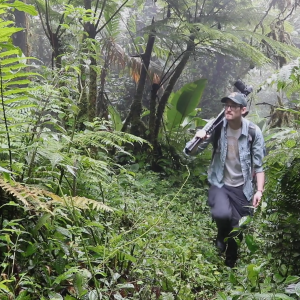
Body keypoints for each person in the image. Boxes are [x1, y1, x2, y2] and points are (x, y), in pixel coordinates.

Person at [184, 92, 265, 268]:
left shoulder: (253, 131)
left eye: (233, 106)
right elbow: (192, 152)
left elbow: (258, 166)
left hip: (243, 187)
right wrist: (199, 138)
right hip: (220, 182)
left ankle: (231, 259)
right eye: (226, 105)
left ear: (243, 110)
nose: (228, 109)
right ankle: (221, 234)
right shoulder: (217, 126)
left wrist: (259, 190)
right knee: (221, 214)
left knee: (238, 227)